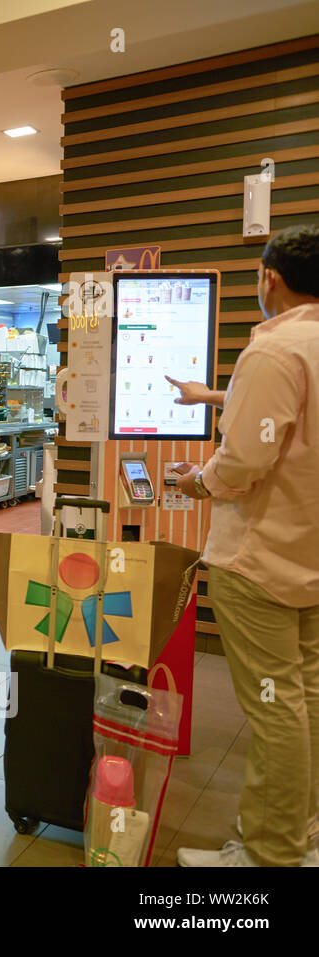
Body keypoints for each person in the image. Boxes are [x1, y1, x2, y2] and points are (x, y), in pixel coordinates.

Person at [172, 224, 319, 868]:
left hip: (258, 558)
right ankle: (299, 833)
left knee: (273, 707)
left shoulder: (274, 349)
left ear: (270, 278)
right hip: (309, 553)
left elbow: (245, 459)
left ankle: (268, 856)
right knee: (305, 698)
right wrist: (211, 396)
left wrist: (197, 482)